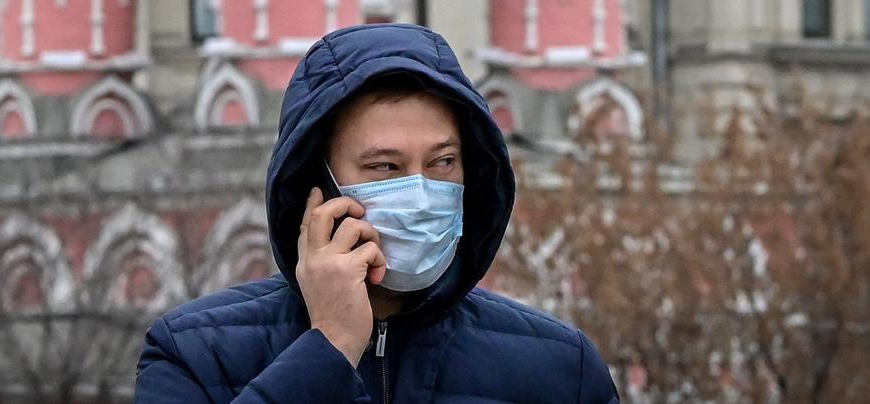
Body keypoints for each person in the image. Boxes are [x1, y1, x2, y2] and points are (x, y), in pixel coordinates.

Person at [135, 23, 619, 403]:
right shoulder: (197, 354)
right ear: (317, 187)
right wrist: (330, 347)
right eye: (385, 167)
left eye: (442, 163)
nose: (423, 193)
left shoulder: (558, 367)